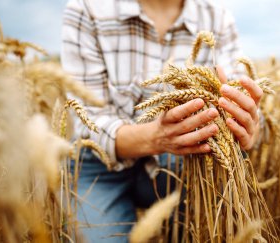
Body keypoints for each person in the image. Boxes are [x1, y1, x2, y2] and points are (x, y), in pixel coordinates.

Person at [61, 0, 263, 242]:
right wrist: (156, 137)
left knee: (213, 230)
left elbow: (236, 99)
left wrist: (246, 125)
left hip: (184, 161)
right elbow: (87, 119)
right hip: (99, 164)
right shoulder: (87, 8)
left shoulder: (216, 17)